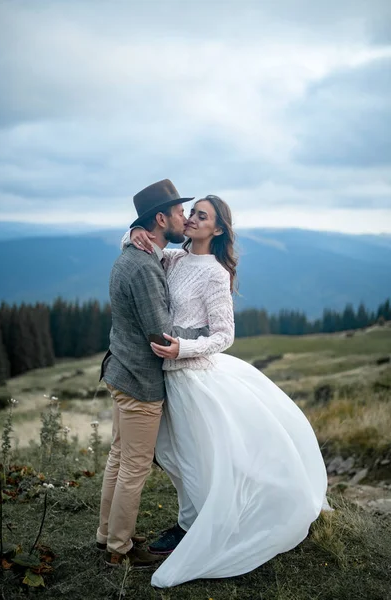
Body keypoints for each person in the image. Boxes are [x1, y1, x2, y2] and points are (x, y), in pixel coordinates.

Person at [122, 195, 330, 587]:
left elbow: (225, 335)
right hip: (167, 376)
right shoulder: (176, 259)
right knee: (174, 456)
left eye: (202, 216)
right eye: (192, 214)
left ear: (217, 229)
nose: (193, 220)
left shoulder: (216, 272)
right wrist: (132, 232)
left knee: (199, 457)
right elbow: (140, 248)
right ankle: (191, 520)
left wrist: (184, 348)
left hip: (194, 378)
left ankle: (207, 527)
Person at [97, 179, 208, 569]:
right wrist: (204, 333)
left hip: (120, 371)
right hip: (140, 381)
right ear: (160, 219)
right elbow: (159, 334)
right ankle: (119, 549)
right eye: (179, 212)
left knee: (119, 457)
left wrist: (132, 233)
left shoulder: (137, 251)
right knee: (134, 467)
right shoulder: (144, 266)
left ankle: (106, 535)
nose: (184, 218)